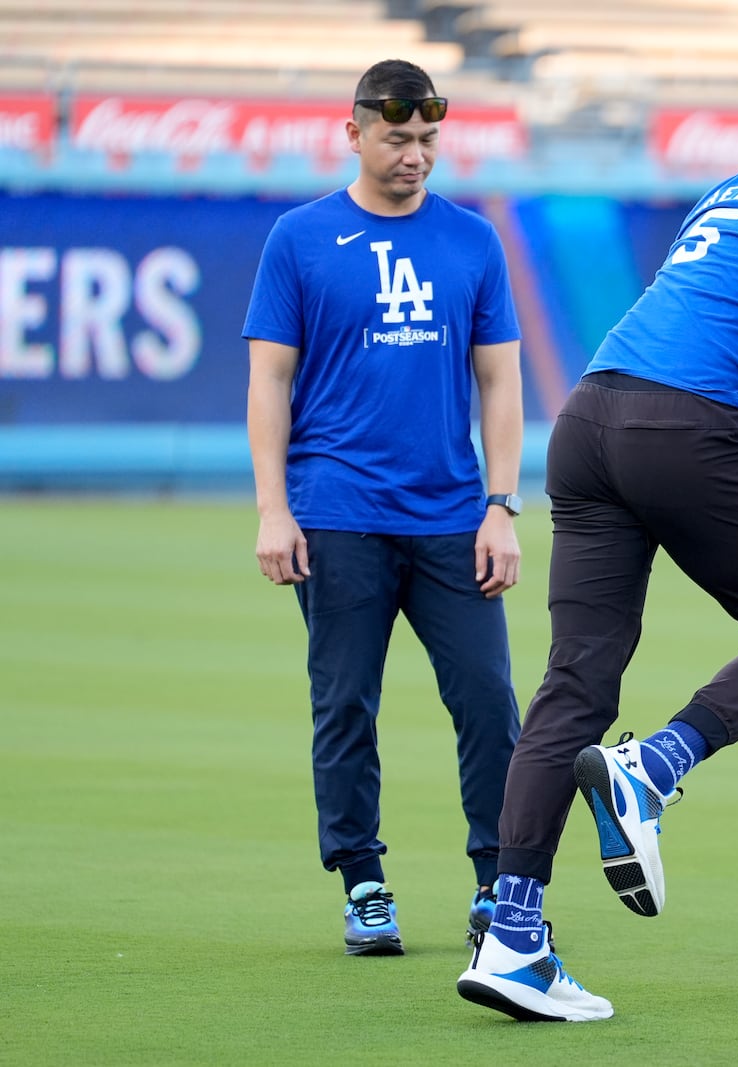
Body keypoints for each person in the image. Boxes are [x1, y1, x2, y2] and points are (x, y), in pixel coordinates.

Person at [454, 83, 738, 1023]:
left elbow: (729, 317)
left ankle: (512, 935)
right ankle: (653, 766)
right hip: (689, 431)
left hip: (590, 419)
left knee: (574, 683)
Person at [243, 58, 525, 957]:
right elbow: (268, 382)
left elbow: (501, 381)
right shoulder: (298, 237)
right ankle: (363, 881)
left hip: (451, 515)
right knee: (345, 705)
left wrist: (502, 504)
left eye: (429, 139)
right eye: (398, 138)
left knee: (489, 702)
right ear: (354, 131)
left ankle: (498, 884)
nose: (416, 155)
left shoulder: (474, 241)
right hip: (335, 512)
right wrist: (272, 509)